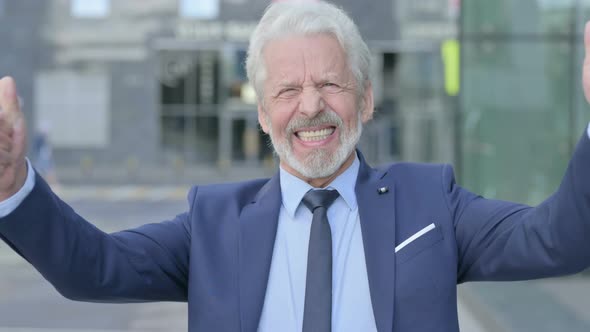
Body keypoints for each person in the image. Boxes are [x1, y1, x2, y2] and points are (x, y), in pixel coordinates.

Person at [1, 2, 590, 331]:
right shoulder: (213, 222)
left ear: (364, 99)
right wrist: (12, 185)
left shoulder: (431, 204)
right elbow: (93, 269)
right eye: (287, 90)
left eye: (330, 83)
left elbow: (556, 242)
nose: (310, 106)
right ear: (262, 113)